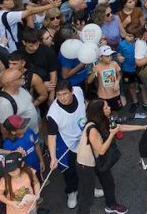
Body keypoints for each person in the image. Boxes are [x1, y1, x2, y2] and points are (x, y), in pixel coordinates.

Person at [75, 98, 144, 214]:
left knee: (109, 183)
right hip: (86, 165)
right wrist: (112, 135)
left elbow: (119, 127)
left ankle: (111, 205)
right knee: (86, 195)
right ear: (99, 112)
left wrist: (142, 127)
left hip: (98, 160)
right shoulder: (92, 129)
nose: (109, 108)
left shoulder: (103, 120)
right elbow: (101, 150)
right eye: (106, 107)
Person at [46, 81, 87, 209]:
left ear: (72, 91)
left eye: (65, 94)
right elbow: (51, 137)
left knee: (87, 165)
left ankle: (88, 187)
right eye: (59, 95)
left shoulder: (78, 91)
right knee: (70, 171)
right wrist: (53, 157)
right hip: (66, 143)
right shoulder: (53, 114)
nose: (62, 98)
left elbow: (84, 104)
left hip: (83, 137)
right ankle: (72, 192)